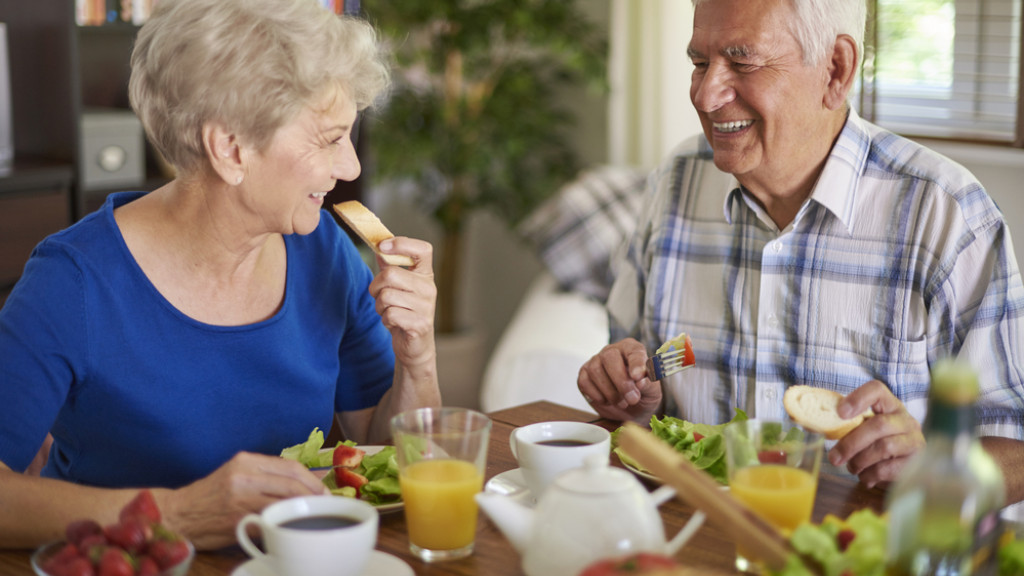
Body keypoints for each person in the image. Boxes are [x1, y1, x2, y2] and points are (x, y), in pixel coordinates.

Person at [0, 0, 441, 550]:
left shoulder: (324, 251)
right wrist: (177, 514)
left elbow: (387, 455)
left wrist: (416, 353)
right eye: (330, 138)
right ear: (230, 148)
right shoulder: (72, 283)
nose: (350, 166)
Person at [578, 0, 1024, 502]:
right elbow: (642, 377)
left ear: (835, 69)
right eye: (699, 63)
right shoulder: (675, 182)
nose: (705, 95)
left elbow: (1015, 446)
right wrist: (632, 393)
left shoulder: (944, 213)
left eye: (742, 63)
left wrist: (931, 465)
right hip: (690, 541)